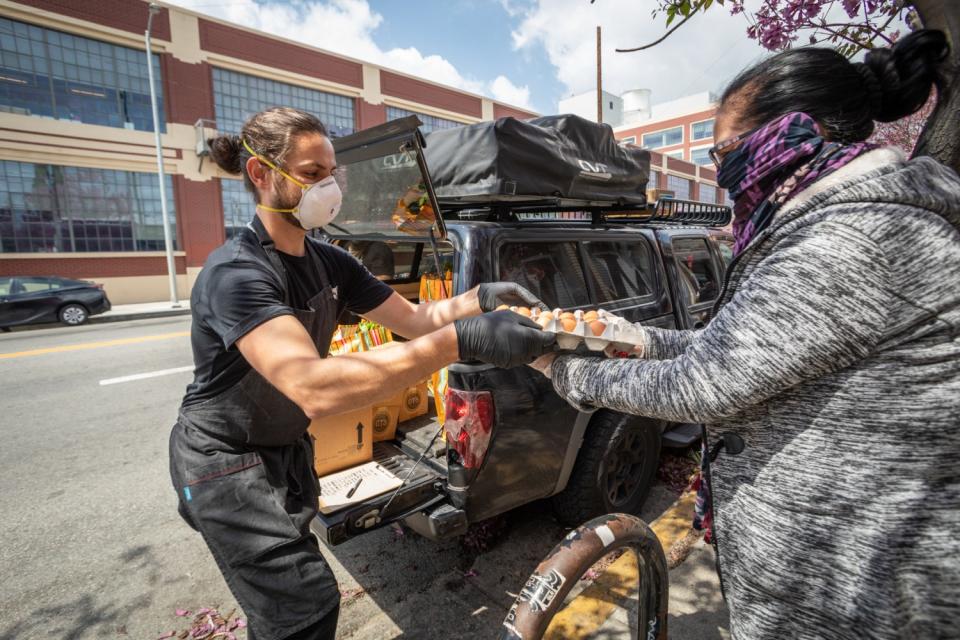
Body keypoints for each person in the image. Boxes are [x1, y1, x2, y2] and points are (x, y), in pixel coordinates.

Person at [530, 30, 960, 639]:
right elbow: (730, 348)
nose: (723, 171)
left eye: (726, 151)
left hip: (858, 592)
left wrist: (556, 364)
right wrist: (632, 338)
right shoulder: (832, 220)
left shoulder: (851, 238)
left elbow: (703, 384)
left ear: (792, 134)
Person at [169, 107, 553, 640]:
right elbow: (312, 385)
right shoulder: (236, 273)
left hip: (285, 447)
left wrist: (477, 298)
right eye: (310, 174)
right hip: (224, 461)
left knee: (284, 611)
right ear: (260, 174)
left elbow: (417, 320)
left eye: (331, 172)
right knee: (304, 609)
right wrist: (462, 341)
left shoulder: (332, 263)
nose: (327, 186)